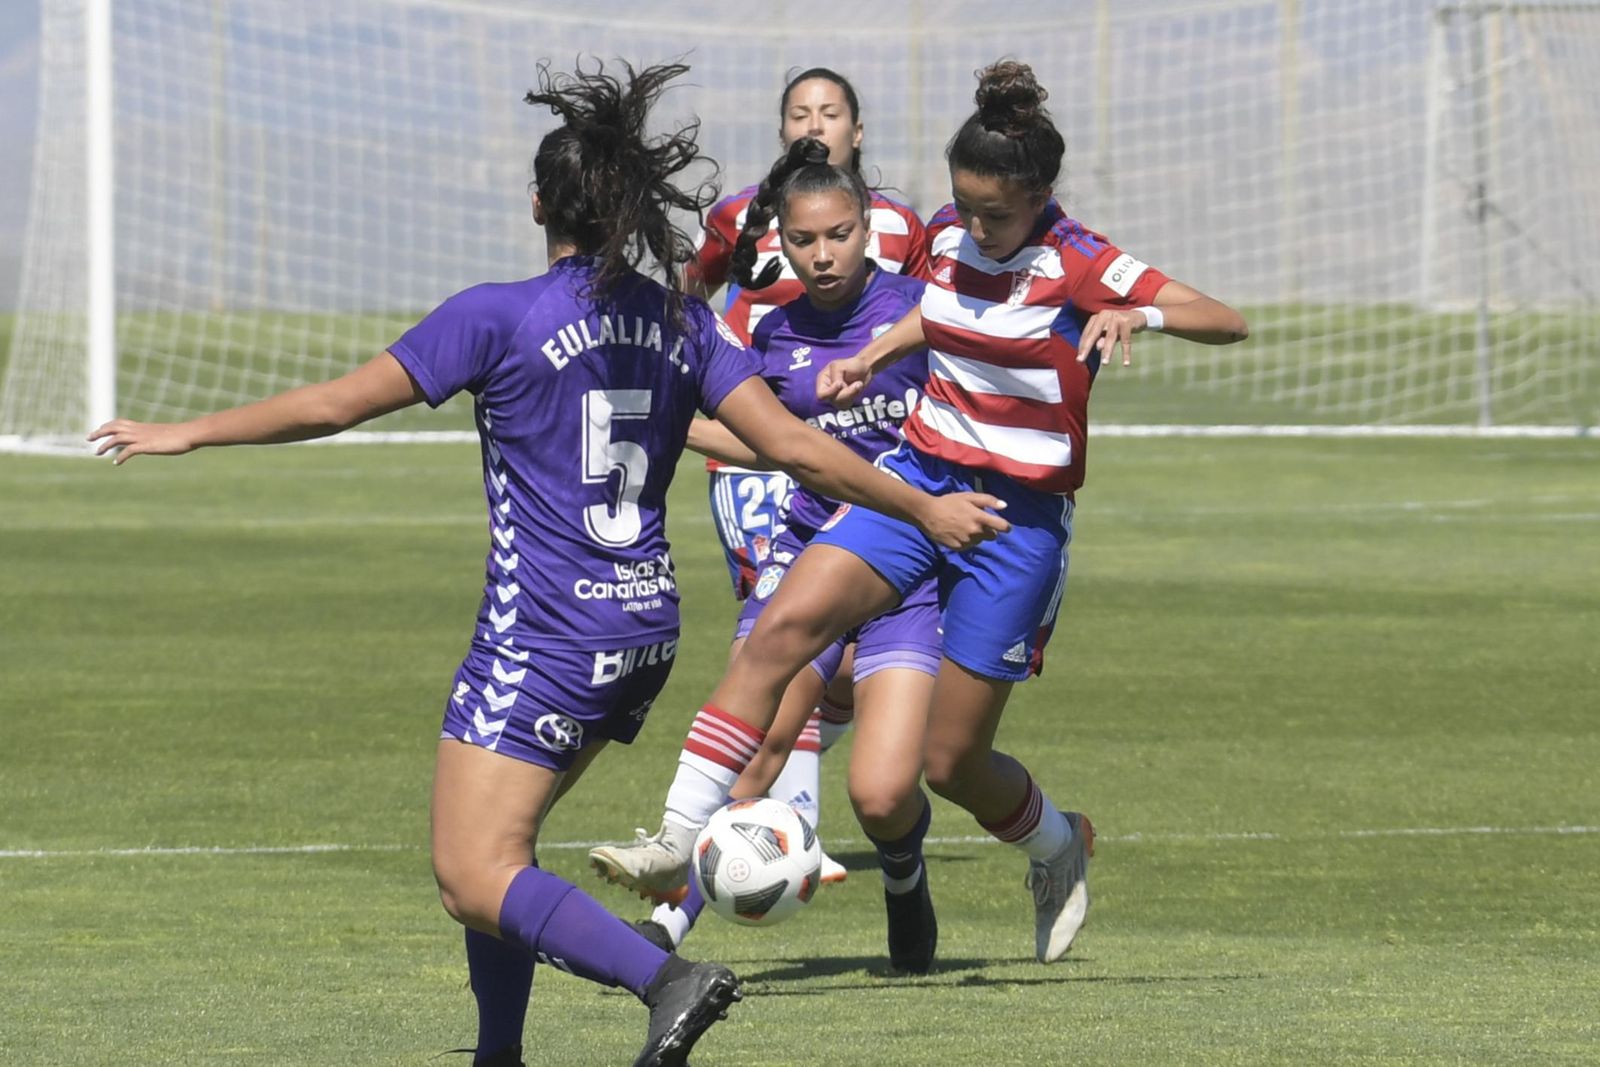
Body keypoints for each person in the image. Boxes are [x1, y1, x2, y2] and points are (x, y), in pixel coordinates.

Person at [87, 60, 1006, 1067]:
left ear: (539, 204)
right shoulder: (679, 318)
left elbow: (333, 404)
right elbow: (790, 443)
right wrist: (919, 501)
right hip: (644, 623)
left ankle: (668, 978)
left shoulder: (497, 313)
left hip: (546, 629)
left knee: (470, 872)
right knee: (502, 848)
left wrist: (189, 431)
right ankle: (498, 1054)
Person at [588, 60, 1249, 967]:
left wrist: (1147, 318)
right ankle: (676, 836)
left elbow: (1226, 318)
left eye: (996, 215)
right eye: (964, 208)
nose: (976, 228)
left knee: (951, 763)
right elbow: (938, 310)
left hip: (1014, 526)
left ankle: (1058, 845)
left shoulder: (1084, 260)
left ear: (1040, 196)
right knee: (782, 625)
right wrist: (878, 353)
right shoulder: (944, 235)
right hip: (919, 479)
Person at [632, 136, 944, 972]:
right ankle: (668, 928)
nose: (822, 252)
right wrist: (653, 425)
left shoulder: (921, 310)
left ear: (867, 226)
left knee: (880, 795)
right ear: (784, 244)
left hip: (903, 569)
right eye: (803, 240)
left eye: (838, 233)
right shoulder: (770, 332)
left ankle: (906, 875)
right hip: (806, 548)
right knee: (755, 740)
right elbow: (761, 439)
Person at [691, 66, 932, 879]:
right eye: (801, 110)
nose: (822, 253)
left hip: (907, 532)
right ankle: (685, 880)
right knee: (763, 676)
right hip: (785, 500)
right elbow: (703, 309)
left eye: (832, 111)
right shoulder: (750, 255)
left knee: (890, 780)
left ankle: (891, 856)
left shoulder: (914, 275)